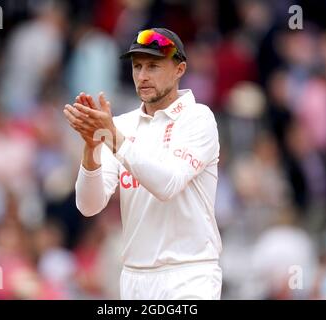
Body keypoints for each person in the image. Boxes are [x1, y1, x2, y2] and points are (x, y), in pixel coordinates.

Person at [63, 28, 222, 300]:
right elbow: (89, 206)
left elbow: (168, 185)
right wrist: (91, 148)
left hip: (189, 274)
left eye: (153, 66)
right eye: (137, 67)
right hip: (135, 278)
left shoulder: (198, 118)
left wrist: (113, 138)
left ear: (179, 69)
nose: (143, 76)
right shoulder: (122, 126)